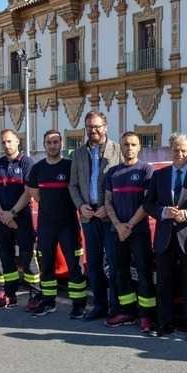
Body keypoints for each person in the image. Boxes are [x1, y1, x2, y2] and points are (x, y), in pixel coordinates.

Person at [143, 133, 187, 341]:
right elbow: (148, 204)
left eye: (184, 150)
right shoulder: (160, 175)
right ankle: (164, 324)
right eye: (176, 149)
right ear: (170, 150)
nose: (180, 154)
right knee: (164, 283)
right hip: (165, 237)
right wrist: (162, 212)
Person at [27, 130, 88, 318]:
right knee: (46, 265)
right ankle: (48, 301)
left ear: (61, 144)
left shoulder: (70, 166)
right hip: (46, 225)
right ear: (44, 145)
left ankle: (78, 305)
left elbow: (77, 190)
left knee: (74, 266)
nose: (52, 145)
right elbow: (34, 194)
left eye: (56, 142)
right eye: (49, 142)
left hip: (68, 225)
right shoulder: (37, 169)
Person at [68, 111, 121, 320]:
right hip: (88, 217)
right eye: (89, 127)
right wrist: (81, 206)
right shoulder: (79, 153)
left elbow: (124, 183)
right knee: (94, 264)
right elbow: (72, 185)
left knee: (115, 263)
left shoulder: (118, 150)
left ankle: (116, 307)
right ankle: (99, 305)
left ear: (105, 127)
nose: (93, 130)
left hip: (110, 216)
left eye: (97, 126)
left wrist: (109, 207)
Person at [103, 132, 156, 331]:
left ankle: (146, 315)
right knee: (120, 272)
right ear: (121, 147)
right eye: (126, 144)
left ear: (139, 147)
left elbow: (147, 203)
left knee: (143, 272)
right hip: (117, 231)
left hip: (138, 231)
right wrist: (118, 225)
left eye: (133, 144)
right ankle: (127, 311)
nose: (129, 148)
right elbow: (108, 201)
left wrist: (130, 225)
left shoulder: (146, 170)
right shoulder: (113, 173)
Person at [0, 129, 40, 310]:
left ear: (18, 142)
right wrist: (2, 213)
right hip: (1, 218)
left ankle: (35, 294)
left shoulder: (27, 163)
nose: (6, 145)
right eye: (3, 142)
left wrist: (13, 212)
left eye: (10, 141)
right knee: (6, 257)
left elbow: (28, 192)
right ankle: (10, 294)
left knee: (27, 257)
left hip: (21, 217)